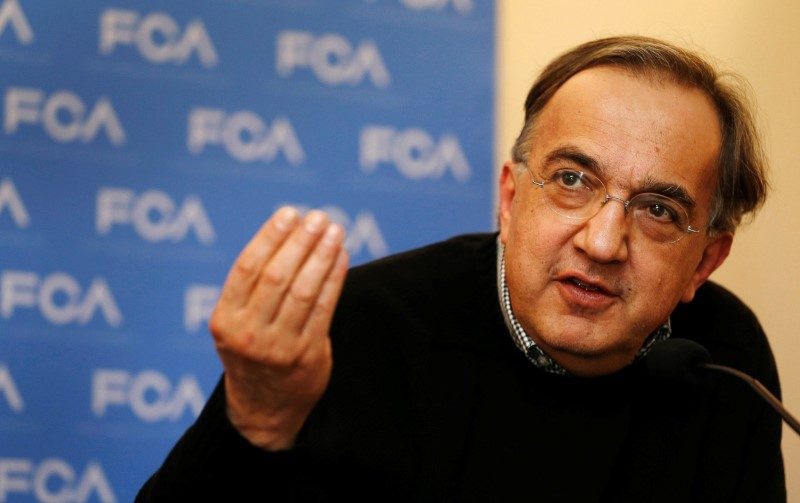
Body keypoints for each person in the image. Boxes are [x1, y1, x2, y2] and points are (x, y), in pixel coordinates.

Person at [137, 36, 784, 501]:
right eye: (571, 179)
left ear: (704, 260)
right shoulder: (363, 326)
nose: (604, 241)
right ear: (510, 197)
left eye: (658, 210)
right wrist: (256, 422)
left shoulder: (725, 359)